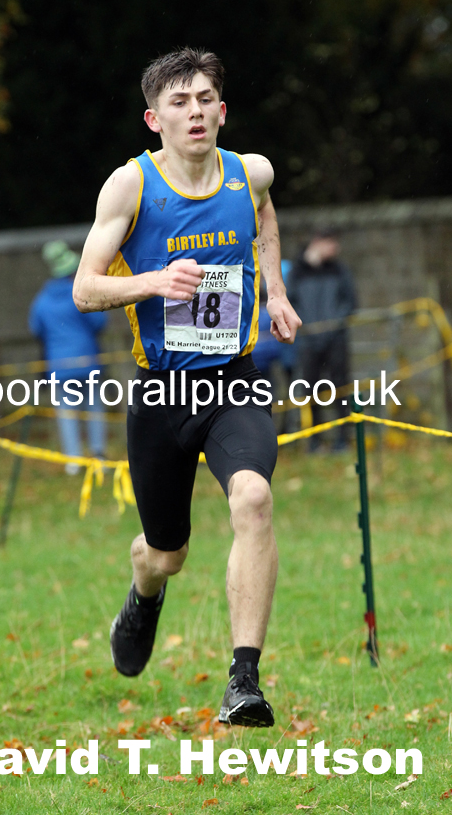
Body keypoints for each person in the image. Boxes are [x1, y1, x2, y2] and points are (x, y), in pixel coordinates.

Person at [73, 48, 301, 727]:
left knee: (253, 497)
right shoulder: (129, 188)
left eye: (205, 99)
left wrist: (276, 290)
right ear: (154, 119)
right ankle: (143, 594)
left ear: (221, 111)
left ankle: (243, 683)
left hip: (233, 383)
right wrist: (152, 282)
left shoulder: (249, 174)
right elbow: (85, 287)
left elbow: (264, 217)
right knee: (165, 553)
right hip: (161, 393)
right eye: (179, 102)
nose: (194, 111)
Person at [29, 240, 108, 472]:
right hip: (87, 362)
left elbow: (36, 329)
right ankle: (98, 458)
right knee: (94, 409)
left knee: (66, 413)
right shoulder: (80, 294)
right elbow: (99, 321)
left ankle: (73, 462)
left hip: (59, 366)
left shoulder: (41, 301)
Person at [286, 229, 358, 452]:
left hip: (336, 341)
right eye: (331, 243)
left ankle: (343, 439)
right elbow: (290, 303)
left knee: (341, 389)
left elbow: (350, 302)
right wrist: (307, 327)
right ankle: (315, 440)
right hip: (308, 343)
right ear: (317, 243)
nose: (335, 249)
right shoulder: (297, 273)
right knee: (311, 390)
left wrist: (334, 327)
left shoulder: (339, 270)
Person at [251, 260, 298, 432]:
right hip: (248, 361)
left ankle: (274, 432)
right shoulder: (249, 297)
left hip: (272, 360)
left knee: (272, 398)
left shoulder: (276, 301)